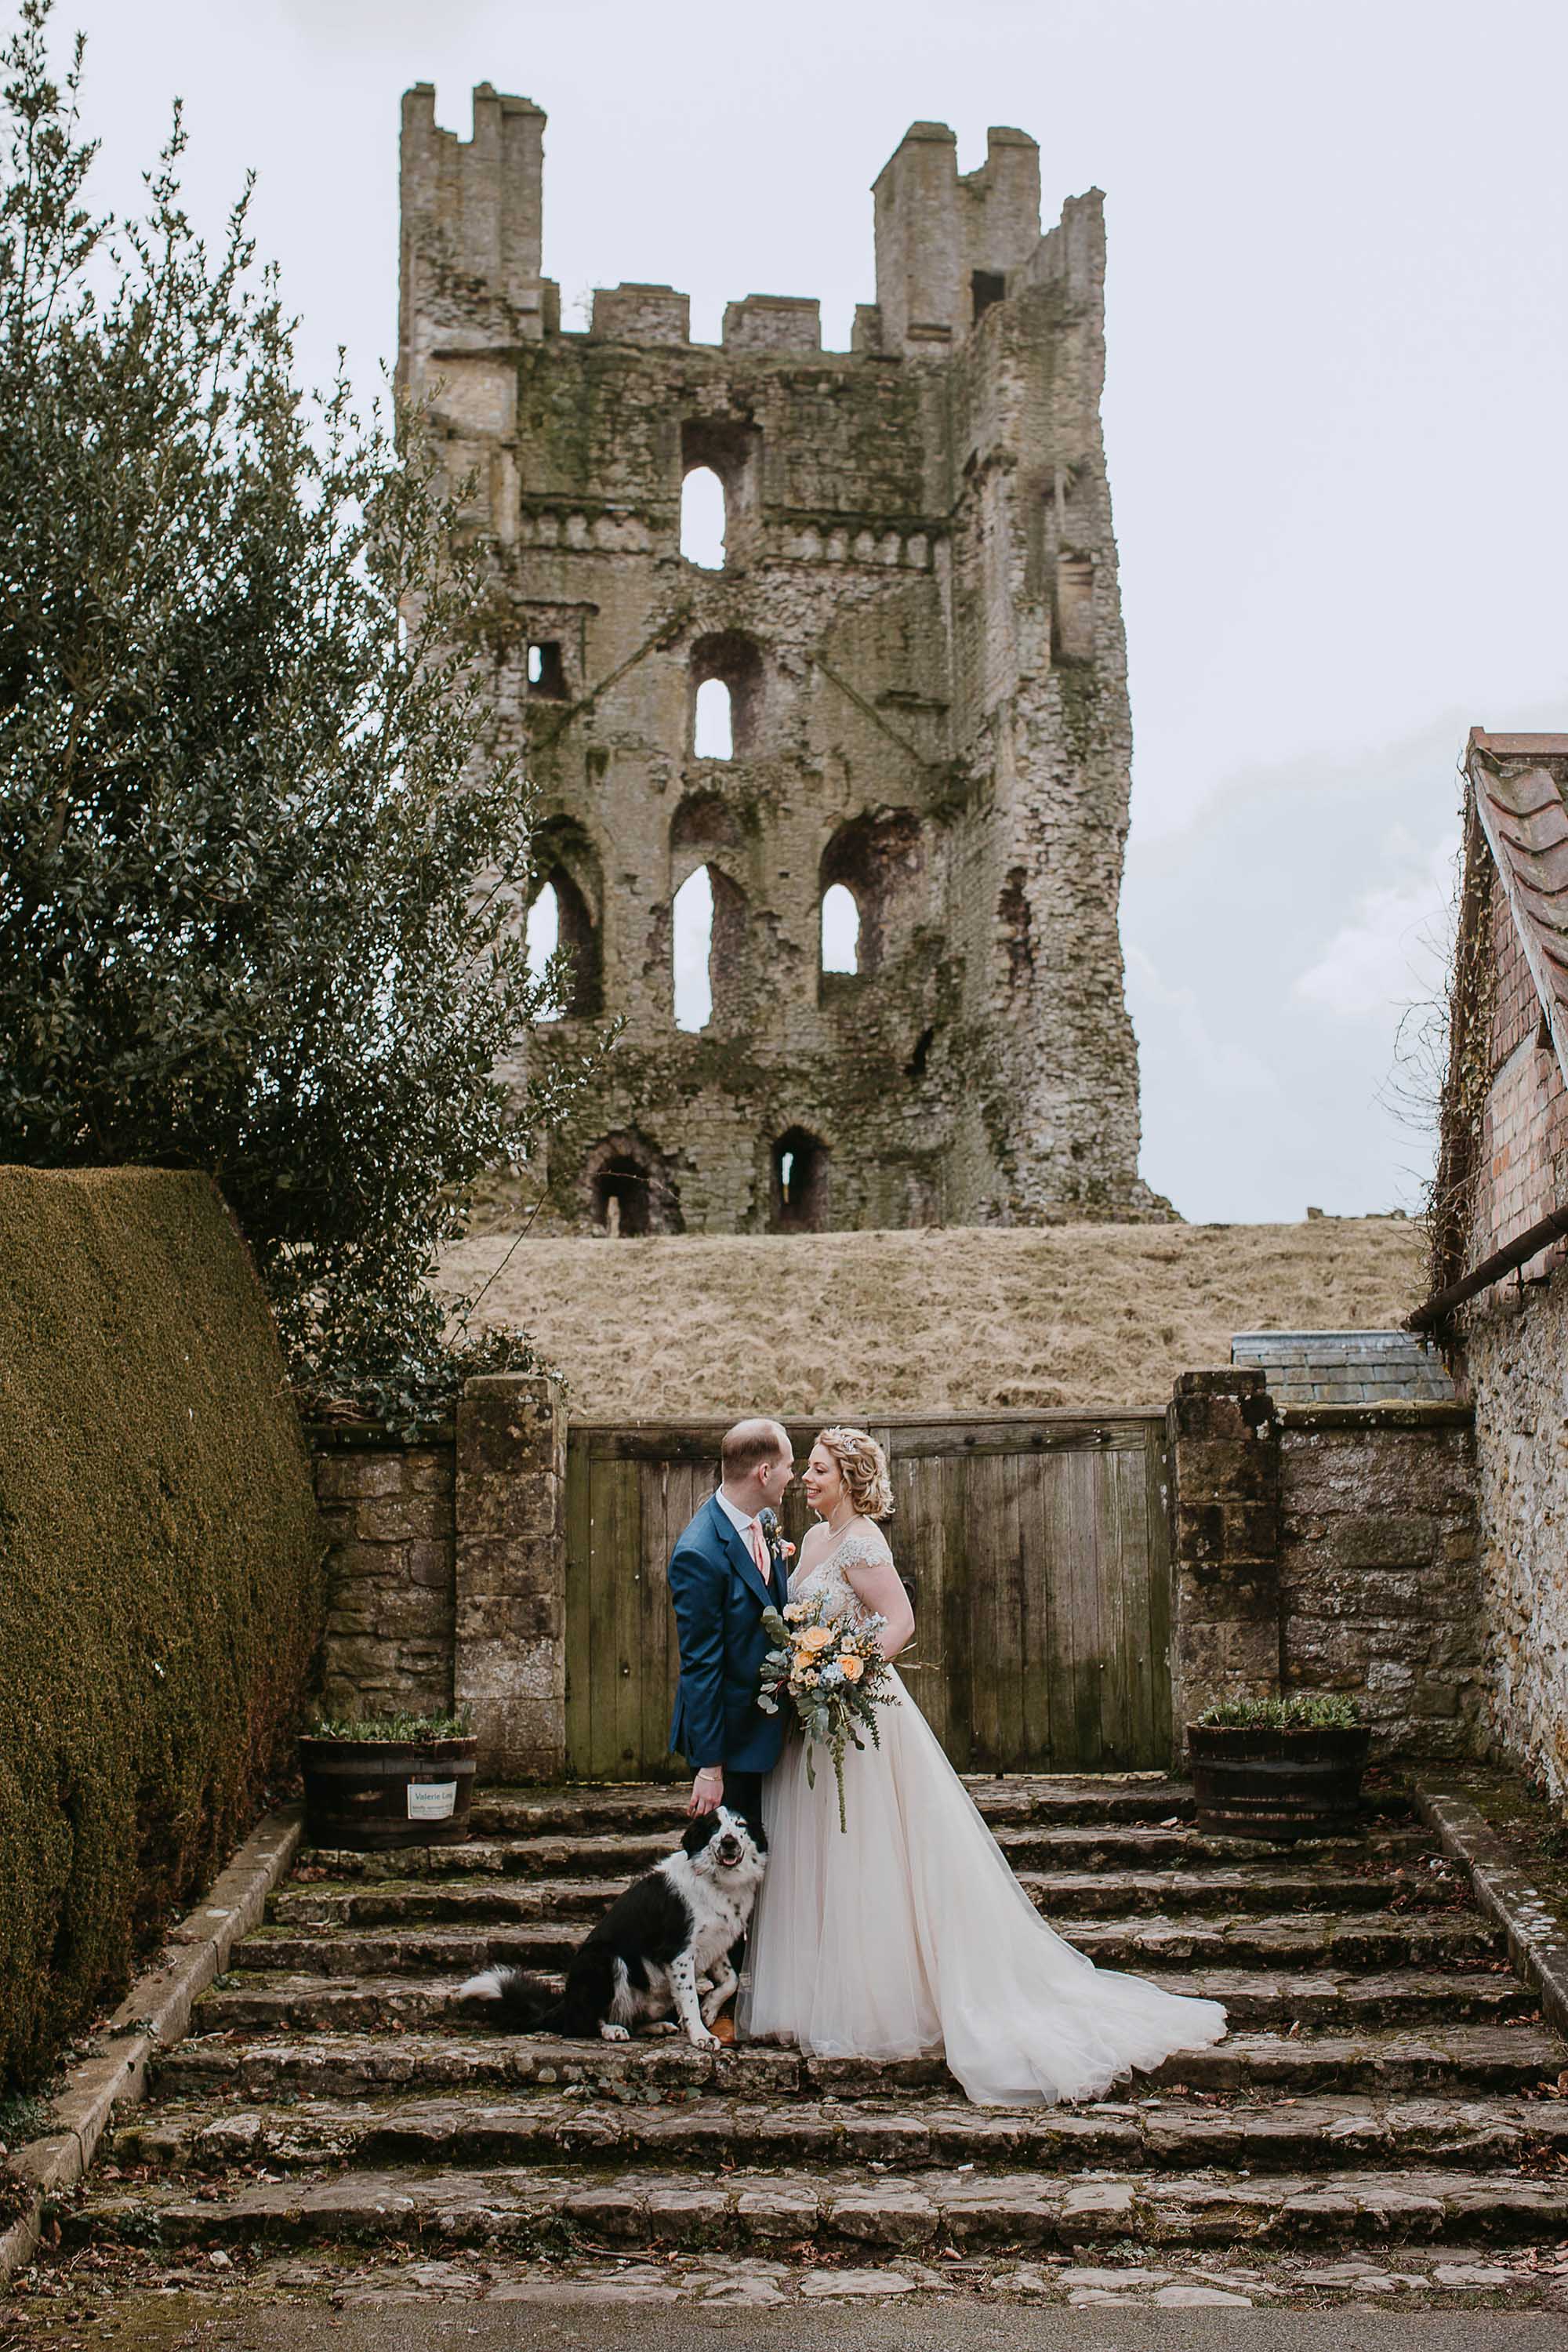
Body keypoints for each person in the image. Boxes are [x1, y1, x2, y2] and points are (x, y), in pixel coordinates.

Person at [739, 1424, 1228, 2107]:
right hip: (816, 1727)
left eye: (818, 1469)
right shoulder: (814, 1541)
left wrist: (841, 1670)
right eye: (809, 1469)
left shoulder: (862, 1541)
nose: (808, 1479)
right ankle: (820, 1996)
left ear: (848, 1479)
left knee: (869, 1856)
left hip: (859, 1712)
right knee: (822, 1857)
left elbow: (900, 1623)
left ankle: (882, 2003)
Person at [666, 1416, 795, 1838]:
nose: (793, 1477)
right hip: (731, 1743)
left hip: (766, 1736)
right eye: (789, 1466)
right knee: (735, 1873)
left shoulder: (760, 1523)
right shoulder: (699, 1554)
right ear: (764, 1472)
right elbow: (700, 1665)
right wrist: (710, 1767)